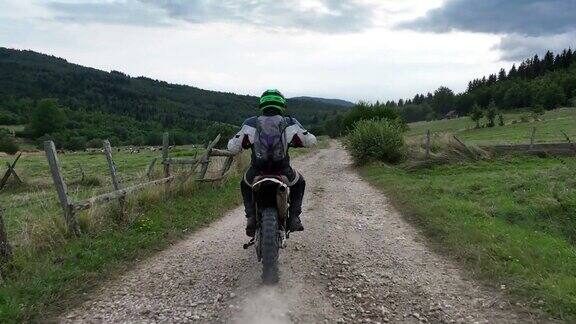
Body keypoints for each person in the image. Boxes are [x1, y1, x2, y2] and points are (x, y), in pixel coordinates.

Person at [227, 89, 317, 237]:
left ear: (262, 104)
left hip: (257, 171)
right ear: (282, 104)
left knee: (244, 183)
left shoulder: (251, 123)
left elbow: (233, 147)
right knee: (299, 182)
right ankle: (294, 217)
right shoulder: (290, 122)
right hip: (283, 171)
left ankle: (250, 217)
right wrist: (296, 142)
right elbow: (310, 141)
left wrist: (245, 143)